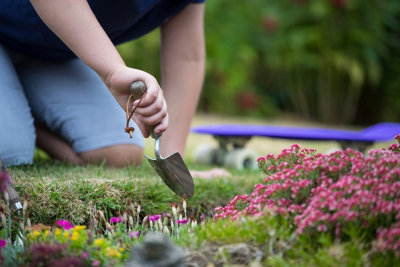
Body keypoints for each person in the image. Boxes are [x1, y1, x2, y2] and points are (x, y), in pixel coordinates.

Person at [0, 0, 206, 168]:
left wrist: (172, 157)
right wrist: (112, 70)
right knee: (11, 154)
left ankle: (24, 115)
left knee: (121, 154)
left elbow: (187, 56)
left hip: (48, 56)